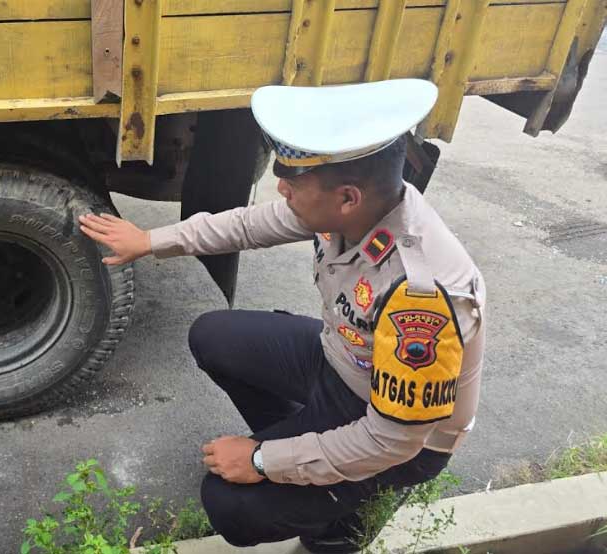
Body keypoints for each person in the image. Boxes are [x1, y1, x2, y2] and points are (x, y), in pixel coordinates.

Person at [77, 79, 486, 553]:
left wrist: (263, 460)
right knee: (215, 336)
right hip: (344, 364)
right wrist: (150, 241)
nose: (281, 190)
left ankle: (338, 528)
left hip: (398, 435)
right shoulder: (353, 209)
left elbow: (391, 442)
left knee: (229, 503)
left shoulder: (421, 295)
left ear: (348, 197)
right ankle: (313, 450)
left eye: (293, 183)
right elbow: (250, 224)